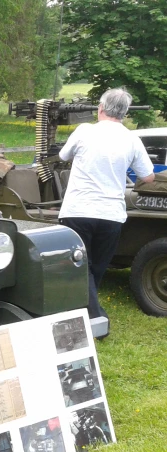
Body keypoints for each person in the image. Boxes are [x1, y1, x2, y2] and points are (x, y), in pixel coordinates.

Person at [58, 88, 155, 330]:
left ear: (100, 108)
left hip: (78, 210)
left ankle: (92, 317)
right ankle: (91, 315)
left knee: (81, 266)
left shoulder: (84, 131)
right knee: (97, 267)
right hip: (111, 213)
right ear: (125, 113)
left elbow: (63, 155)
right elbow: (149, 176)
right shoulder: (132, 139)